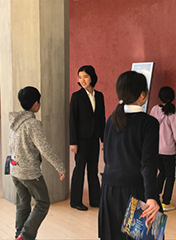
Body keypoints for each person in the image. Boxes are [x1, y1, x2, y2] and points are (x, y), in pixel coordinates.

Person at [99, 71, 160, 240]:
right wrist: (151, 197)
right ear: (143, 95)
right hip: (136, 191)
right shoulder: (149, 123)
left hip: (109, 189)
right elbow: (148, 163)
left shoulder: (111, 119)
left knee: (114, 236)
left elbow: (107, 156)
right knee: (147, 237)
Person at [9, 86, 66, 240]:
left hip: (15, 170)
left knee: (23, 205)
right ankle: (26, 236)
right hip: (29, 172)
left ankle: (18, 236)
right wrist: (60, 167)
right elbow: (45, 149)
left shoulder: (15, 121)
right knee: (42, 203)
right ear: (36, 104)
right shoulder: (33, 125)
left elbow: (11, 146)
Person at [69, 65, 105, 211]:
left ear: (92, 77)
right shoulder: (76, 96)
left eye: (85, 76)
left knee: (93, 169)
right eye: (80, 77)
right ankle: (75, 201)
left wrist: (104, 138)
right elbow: (72, 120)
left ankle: (95, 199)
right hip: (81, 139)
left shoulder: (100, 95)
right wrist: (73, 142)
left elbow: (101, 117)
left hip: (94, 137)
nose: (82, 80)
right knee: (79, 169)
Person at [150, 86, 176, 212]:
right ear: (173, 98)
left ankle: (155, 195)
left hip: (155, 148)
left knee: (161, 172)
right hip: (168, 150)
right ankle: (166, 202)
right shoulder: (174, 115)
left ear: (159, 97)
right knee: (170, 176)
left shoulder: (154, 110)